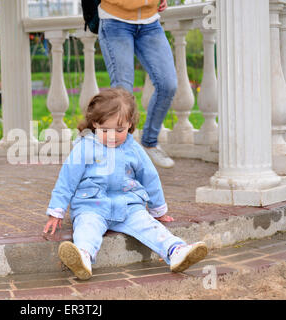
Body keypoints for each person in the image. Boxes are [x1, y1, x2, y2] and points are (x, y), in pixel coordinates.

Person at [43, 88, 207, 280]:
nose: (112, 136)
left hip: (128, 205)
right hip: (91, 206)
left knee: (149, 225)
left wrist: (158, 210)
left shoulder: (133, 149)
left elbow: (150, 177)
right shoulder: (84, 147)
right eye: (105, 130)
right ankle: (83, 257)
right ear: (95, 123)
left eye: (119, 130)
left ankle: (176, 250)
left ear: (130, 124)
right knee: (87, 228)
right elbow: (67, 180)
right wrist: (56, 211)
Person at [97, 0, 177, 168]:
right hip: (115, 21)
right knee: (122, 93)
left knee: (168, 84)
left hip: (150, 22)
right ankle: (123, 154)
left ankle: (149, 141)